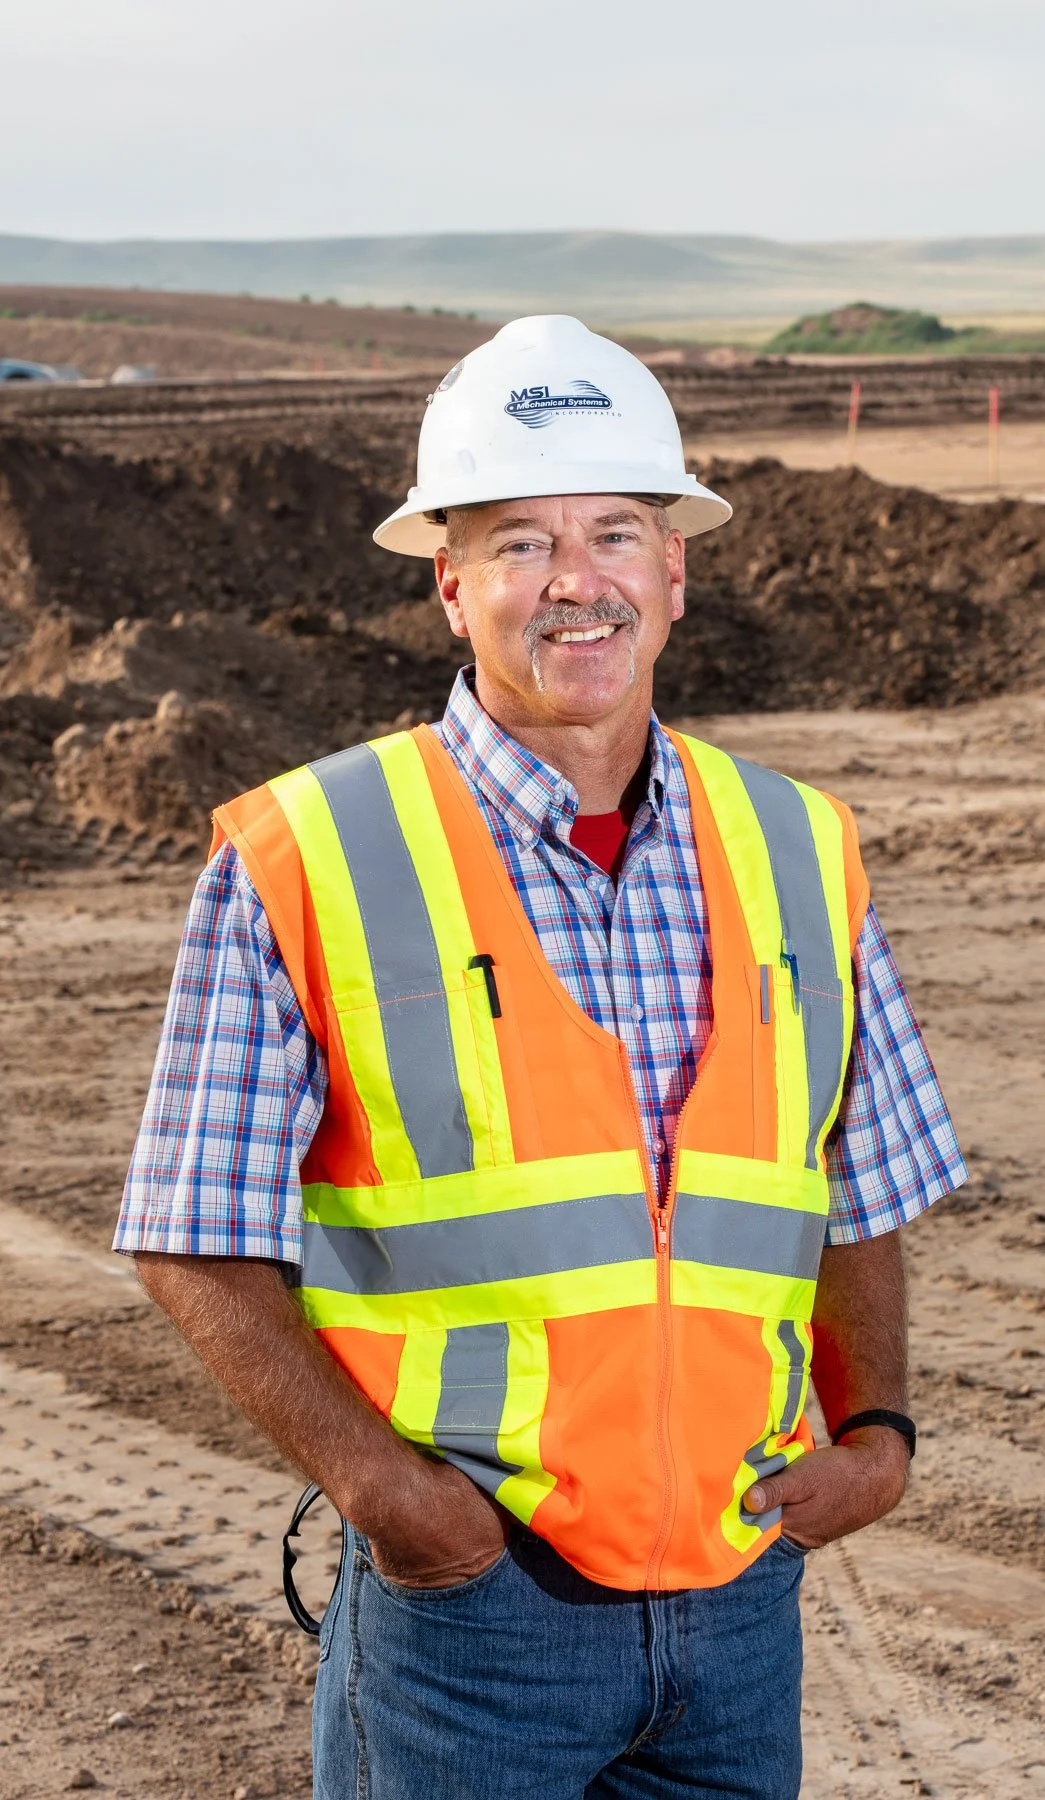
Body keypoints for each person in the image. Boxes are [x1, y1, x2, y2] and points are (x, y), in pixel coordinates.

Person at [115, 314, 967, 1800]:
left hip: (741, 1601)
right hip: (474, 1614)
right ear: (449, 584)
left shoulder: (800, 847)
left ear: (676, 570)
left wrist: (878, 1433)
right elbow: (192, 1238)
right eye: (520, 542)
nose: (576, 580)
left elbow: (854, 1176)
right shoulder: (310, 853)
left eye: (616, 532)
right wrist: (390, 1498)